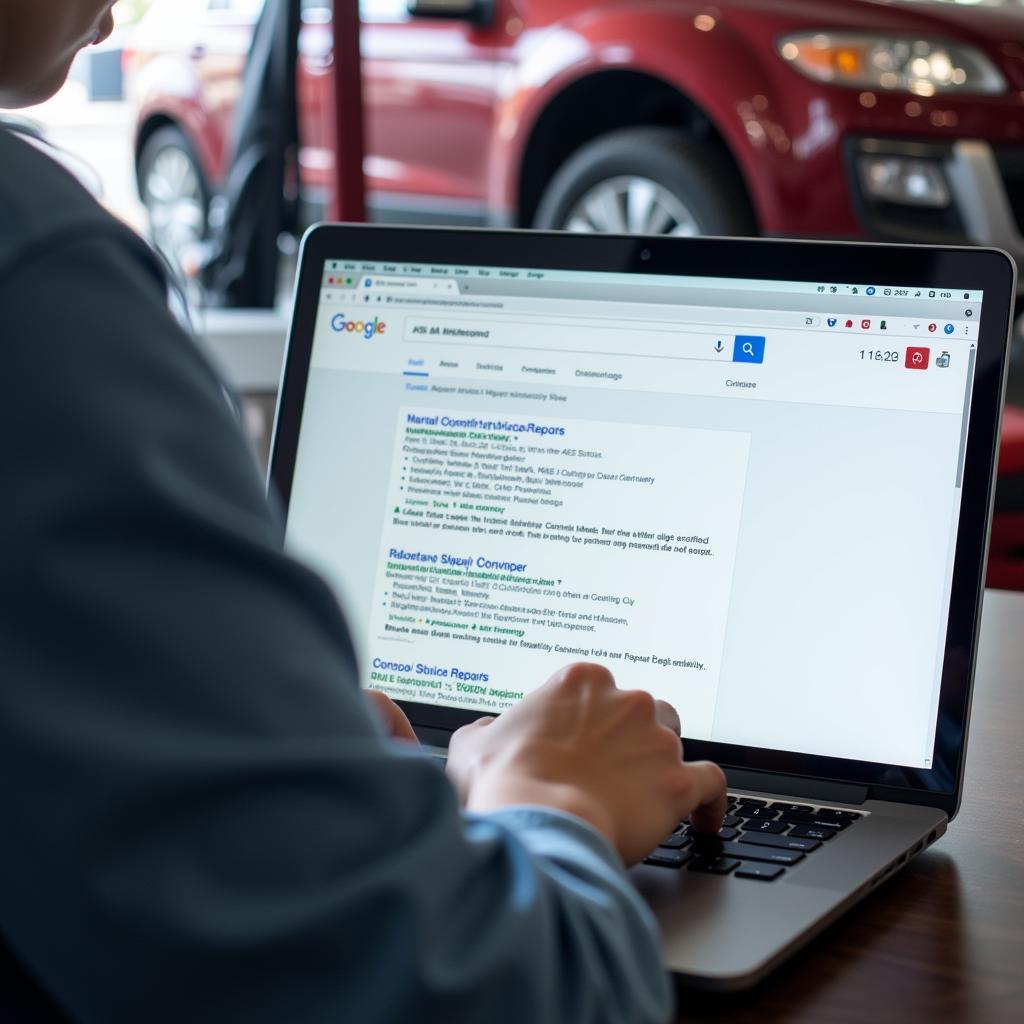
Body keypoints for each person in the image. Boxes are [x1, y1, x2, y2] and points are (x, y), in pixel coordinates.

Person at [0, 3, 727, 1021]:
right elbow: (506, 998)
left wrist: (277, 749)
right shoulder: (36, 279)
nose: (115, 8)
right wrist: (553, 796)